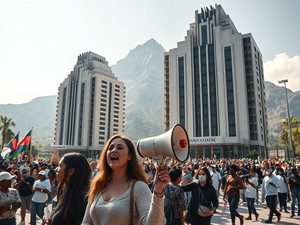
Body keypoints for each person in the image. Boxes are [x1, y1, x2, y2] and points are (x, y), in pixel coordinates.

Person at [81, 134, 170, 225]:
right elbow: (87, 221)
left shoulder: (138, 187)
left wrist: (158, 191)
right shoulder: (98, 185)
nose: (114, 150)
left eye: (120, 148)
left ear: (129, 156)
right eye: (110, 148)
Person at [50, 152, 91, 225]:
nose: (56, 169)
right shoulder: (66, 190)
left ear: (71, 171)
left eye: (60, 166)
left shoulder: (82, 197)